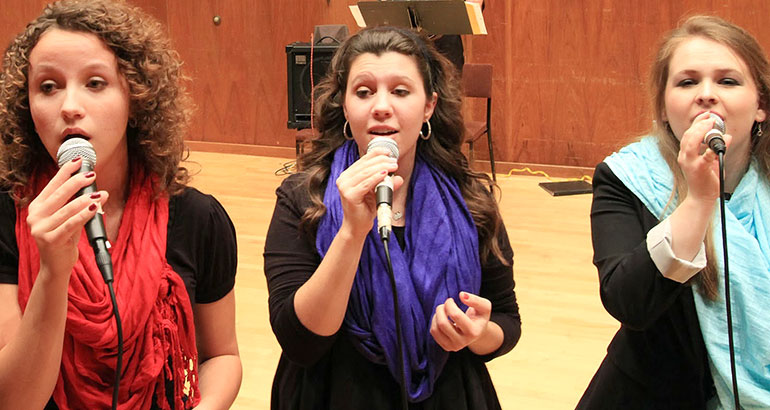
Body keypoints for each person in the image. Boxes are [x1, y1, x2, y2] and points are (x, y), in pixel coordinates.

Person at [0, 1, 241, 409]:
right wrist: (53, 274)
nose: (69, 106)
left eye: (95, 83)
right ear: (28, 108)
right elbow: (14, 400)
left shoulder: (199, 218)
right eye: (48, 86)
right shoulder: (8, 216)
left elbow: (222, 356)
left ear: (136, 98)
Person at [263, 26, 520, 409]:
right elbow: (300, 342)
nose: (381, 106)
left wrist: (477, 335)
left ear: (429, 106)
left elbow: (506, 320)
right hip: (332, 393)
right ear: (346, 107)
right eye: (364, 92)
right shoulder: (303, 197)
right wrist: (351, 232)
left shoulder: (470, 200)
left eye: (400, 91)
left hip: (446, 393)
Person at [577, 15, 770, 409]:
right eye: (687, 82)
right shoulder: (624, 176)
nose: (706, 94)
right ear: (664, 108)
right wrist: (698, 203)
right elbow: (629, 304)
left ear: (761, 106)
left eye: (727, 81)